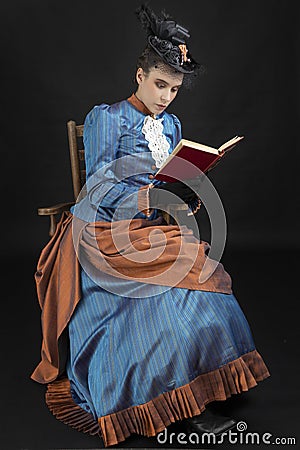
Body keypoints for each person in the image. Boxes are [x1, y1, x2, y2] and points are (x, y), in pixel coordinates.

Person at [31, 5, 270, 447]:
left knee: (196, 273)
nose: (165, 97)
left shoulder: (172, 124)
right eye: (159, 84)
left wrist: (187, 189)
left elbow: (168, 177)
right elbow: (99, 188)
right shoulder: (108, 117)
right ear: (139, 75)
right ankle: (164, 400)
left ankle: (196, 392)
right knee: (156, 301)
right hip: (102, 228)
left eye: (174, 89)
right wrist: (146, 197)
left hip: (150, 223)